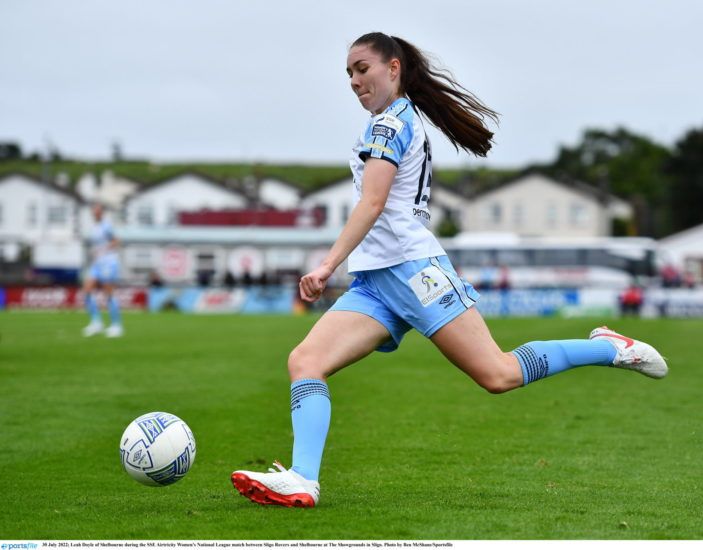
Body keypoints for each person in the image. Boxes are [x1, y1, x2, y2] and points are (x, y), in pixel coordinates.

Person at [231, 32, 668, 508]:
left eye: (363, 68)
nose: (355, 81)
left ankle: (606, 349)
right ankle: (303, 478)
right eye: (349, 75)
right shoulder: (392, 120)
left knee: (499, 374)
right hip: (377, 281)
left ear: (393, 68)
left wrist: (327, 264)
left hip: (415, 272)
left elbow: (374, 202)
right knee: (306, 362)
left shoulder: (389, 125)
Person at [82, 203, 123, 337]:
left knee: (108, 293)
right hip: (97, 264)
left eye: (98, 211)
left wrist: (104, 249)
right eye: (94, 211)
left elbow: (117, 241)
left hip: (108, 263)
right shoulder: (94, 227)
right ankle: (96, 323)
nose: (96, 213)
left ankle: (116, 326)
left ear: (102, 212)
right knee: (87, 289)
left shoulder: (106, 226)